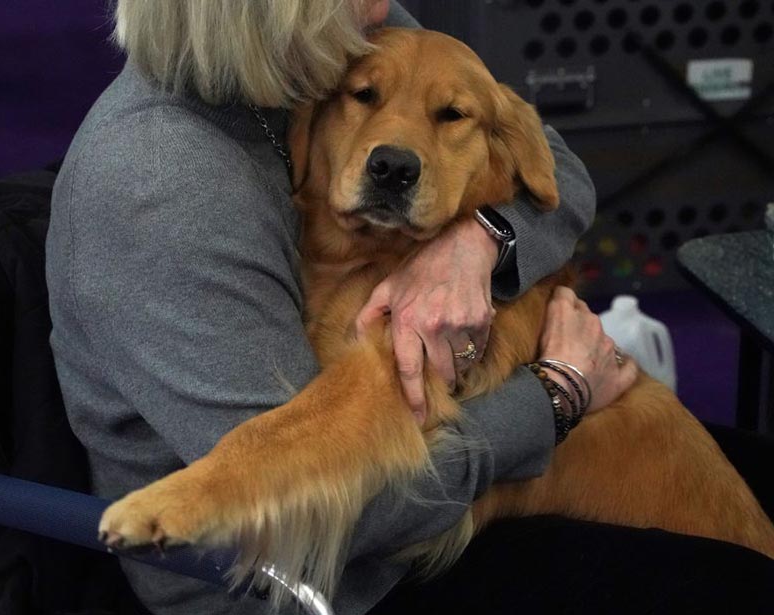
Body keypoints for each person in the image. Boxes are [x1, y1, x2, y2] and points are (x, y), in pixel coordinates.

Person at [45, 1, 773, 614]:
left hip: (427, 502)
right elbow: (356, 513)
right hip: (308, 581)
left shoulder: (342, 28)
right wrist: (557, 395)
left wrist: (481, 241)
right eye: (361, 98)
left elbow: (554, 170)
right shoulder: (164, 178)